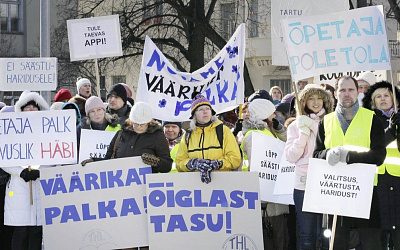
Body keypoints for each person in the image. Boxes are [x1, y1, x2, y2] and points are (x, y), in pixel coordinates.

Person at [313, 75, 386, 250]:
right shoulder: (326, 121)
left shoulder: (372, 118)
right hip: (336, 192)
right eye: (342, 90)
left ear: (358, 92)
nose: (347, 94)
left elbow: (378, 156)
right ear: (336, 94)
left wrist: (349, 156)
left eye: (351, 89)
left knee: (370, 243)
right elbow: (316, 154)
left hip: (365, 191)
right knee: (337, 243)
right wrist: (328, 153)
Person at [284, 84, 333, 250]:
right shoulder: (295, 126)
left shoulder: (331, 122)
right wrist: (303, 134)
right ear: (304, 101)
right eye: (311, 98)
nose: (316, 102)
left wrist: (313, 126)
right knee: (306, 234)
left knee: (326, 234)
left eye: (319, 98)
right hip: (303, 184)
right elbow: (291, 156)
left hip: (327, 182)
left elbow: (330, 146)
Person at [2, 91, 50, 250]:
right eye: (27, 107)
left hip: (40, 186)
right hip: (19, 187)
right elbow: (3, 156)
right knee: (21, 231)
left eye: (34, 107)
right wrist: (19, 171)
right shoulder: (10, 132)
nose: (30, 111)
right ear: (20, 110)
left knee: (37, 231)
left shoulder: (48, 131)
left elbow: (56, 156)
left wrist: (41, 171)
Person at [240, 98, 289, 250]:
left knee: (280, 240)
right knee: (272, 241)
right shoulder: (254, 136)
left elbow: (287, 145)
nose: (275, 115)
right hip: (264, 202)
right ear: (264, 115)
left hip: (274, 197)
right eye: (272, 113)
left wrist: (279, 129)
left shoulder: (268, 131)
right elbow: (259, 168)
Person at [82, 102, 172, 174]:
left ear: (149, 122)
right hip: (122, 188)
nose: (139, 127)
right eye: (136, 123)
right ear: (131, 121)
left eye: (143, 124)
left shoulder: (157, 136)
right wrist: (94, 162)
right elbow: (108, 160)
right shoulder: (120, 134)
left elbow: (167, 166)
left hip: (145, 189)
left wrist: (156, 162)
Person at [362, 81, 400, 249]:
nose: (383, 99)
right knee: (380, 227)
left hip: (398, 179)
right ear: (372, 102)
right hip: (376, 179)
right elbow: (371, 146)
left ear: (394, 99)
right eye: (378, 96)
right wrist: (391, 132)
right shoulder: (366, 120)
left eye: (386, 95)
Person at [175, 94, 241, 183]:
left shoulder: (223, 130)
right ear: (194, 115)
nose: (205, 112)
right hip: (195, 187)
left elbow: (235, 159)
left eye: (207, 109)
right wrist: (193, 163)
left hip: (223, 185)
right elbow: (179, 163)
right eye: (200, 109)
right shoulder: (188, 135)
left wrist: (216, 164)